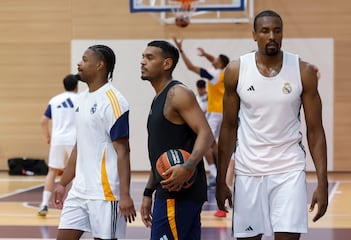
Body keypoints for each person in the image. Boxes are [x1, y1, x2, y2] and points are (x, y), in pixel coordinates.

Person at [216, 10, 328, 240]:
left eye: (277, 31)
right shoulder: (236, 71)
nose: (272, 36)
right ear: (254, 35)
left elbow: (315, 131)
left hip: (289, 169)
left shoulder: (302, 71)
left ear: (283, 34)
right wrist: (220, 180)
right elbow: (228, 127)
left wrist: (322, 182)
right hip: (248, 170)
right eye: (265, 31)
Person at [53, 44, 136, 240]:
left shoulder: (114, 101)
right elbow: (79, 145)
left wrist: (124, 195)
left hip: (105, 194)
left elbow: (123, 151)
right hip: (79, 192)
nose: (79, 64)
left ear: (100, 65)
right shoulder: (81, 99)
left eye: (84, 60)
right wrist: (63, 183)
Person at [140, 40, 214, 240]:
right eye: (142, 57)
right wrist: (148, 191)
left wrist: (188, 166)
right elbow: (160, 153)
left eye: (149, 57)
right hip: (169, 193)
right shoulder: (158, 98)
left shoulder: (177, 93)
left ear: (166, 64)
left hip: (179, 194)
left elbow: (206, 133)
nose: (142, 62)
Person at [172, 36, 230, 188]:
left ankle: (215, 173)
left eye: (215, 59)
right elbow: (216, 61)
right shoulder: (225, 73)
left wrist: (181, 50)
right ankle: (219, 172)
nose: (213, 60)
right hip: (225, 113)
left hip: (215, 113)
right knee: (215, 145)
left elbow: (191, 67)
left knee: (204, 142)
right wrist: (206, 55)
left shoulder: (214, 75)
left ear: (219, 63)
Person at [38, 73, 78, 217]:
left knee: (52, 172)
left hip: (58, 139)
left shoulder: (54, 100)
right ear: (76, 86)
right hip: (75, 140)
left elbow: (43, 121)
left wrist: (47, 136)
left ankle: (43, 205)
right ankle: (76, 206)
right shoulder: (81, 99)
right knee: (79, 171)